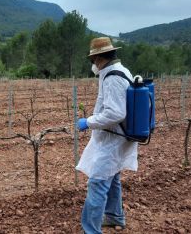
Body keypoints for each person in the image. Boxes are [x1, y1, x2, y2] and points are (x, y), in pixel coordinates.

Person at [76, 37, 138, 234]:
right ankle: (115, 217)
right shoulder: (120, 71)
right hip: (118, 138)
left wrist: (89, 122)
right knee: (112, 179)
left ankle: (91, 231)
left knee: (97, 183)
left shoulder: (112, 77)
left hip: (114, 141)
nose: (93, 64)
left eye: (93, 60)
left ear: (99, 58)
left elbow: (115, 113)